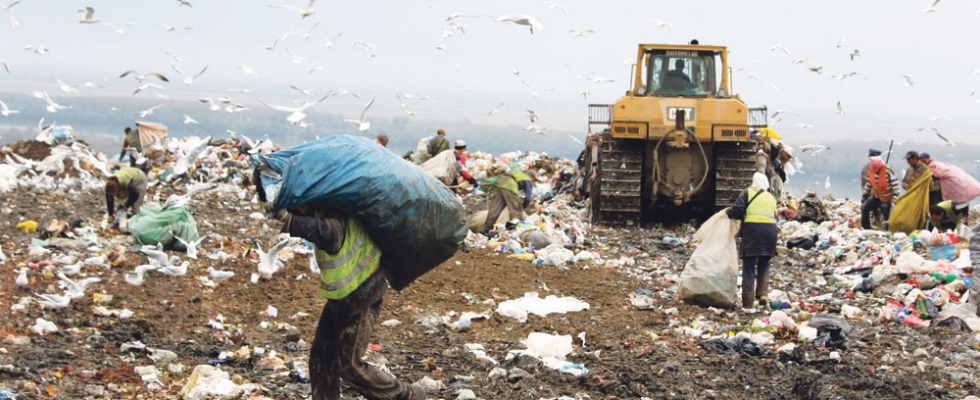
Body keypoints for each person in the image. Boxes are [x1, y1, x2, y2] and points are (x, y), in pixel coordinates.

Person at [260, 180, 427, 400]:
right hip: (340, 296)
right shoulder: (321, 208)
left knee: (349, 365)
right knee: (321, 358)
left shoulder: (336, 208)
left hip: (362, 292)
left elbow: (330, 236)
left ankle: (406, 396)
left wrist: (288, 220)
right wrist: (280, 209)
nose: (297, 209)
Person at [726, 172, 778, 310]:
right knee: (764, 263)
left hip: (753, 233)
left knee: (749, 266)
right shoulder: (771, 197)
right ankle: (763, 294)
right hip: (771, 234)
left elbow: (738, 211)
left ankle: (748, 303)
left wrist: (728, 212)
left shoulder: (747, 193)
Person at [482, 164, 533, 233]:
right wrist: (522, 206)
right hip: (510, 185)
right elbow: (528, 198)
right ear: (533, 177)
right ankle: (513, 231)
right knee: (516, 210)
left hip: (500, 182)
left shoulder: (519, 174)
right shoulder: (528, 179)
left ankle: (486, 229)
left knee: (495, 209)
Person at [861, 158, 900, 230]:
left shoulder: (888, 171)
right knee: (864, 207)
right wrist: (865, 194)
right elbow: (869, 184)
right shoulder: (871, 171)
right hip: (876, 196)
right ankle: (866, 227)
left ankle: (888, 230)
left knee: (887, 216)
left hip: (886, 198)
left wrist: (895, 196)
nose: (876, 172)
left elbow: (895, 184)